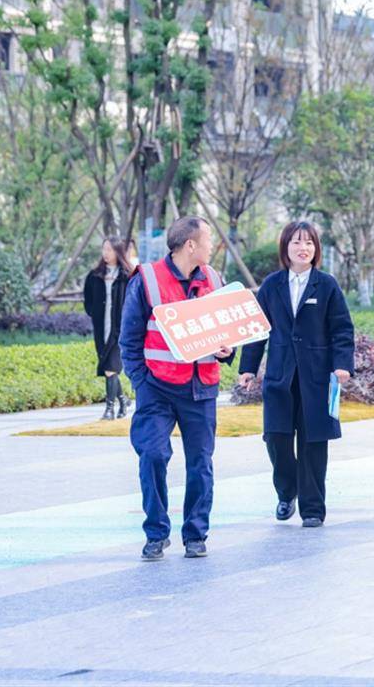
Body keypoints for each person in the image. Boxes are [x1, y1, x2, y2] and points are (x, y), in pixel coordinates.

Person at [119, 216, 234, 560]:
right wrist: (141, 382)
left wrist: (227, 350)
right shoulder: (147, 280)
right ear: (190, 245)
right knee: (153, 455)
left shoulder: (214, 279)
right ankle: (156, 533)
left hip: (201, 387)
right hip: (157, 388)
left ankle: (195, 534)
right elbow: (129, 339)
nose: (212, 245)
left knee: (200, 463)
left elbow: (226, 332)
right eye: (208, 239)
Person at [237, 221, 355, 528]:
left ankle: (313, 508)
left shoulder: (326, 285)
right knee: (276, 437)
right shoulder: (271, 285)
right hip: (280, 375)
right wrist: (248, 368)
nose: (303, 248)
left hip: (316, 377)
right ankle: (287, 492)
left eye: (309, 243)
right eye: (297, 242)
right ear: (285, 247)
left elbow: (342, 328)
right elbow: (257, 330)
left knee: (313, 442)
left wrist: (342, 363)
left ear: (316, 249)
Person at [83, 237, 135, 419]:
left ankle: (109, 410)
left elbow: (133, 301)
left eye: (110, 250)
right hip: (101, 328)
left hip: (120, 330)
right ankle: (123, 400)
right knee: (108, 367)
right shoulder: (94, 276)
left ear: (118, 252)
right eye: (104, 249)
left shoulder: (127, 276)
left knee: (111, 367)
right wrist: (95, 313)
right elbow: (88, 300)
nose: (105, 253)